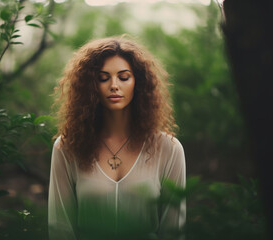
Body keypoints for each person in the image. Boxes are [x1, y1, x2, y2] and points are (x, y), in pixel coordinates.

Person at [48, 36, 186, 240]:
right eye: (103, 78)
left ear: (138, 82)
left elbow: (173, 230)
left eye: (123, 77)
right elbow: (60, 227)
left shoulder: (169, 148)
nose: (114, 85)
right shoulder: (67, 147)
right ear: (90, 85)